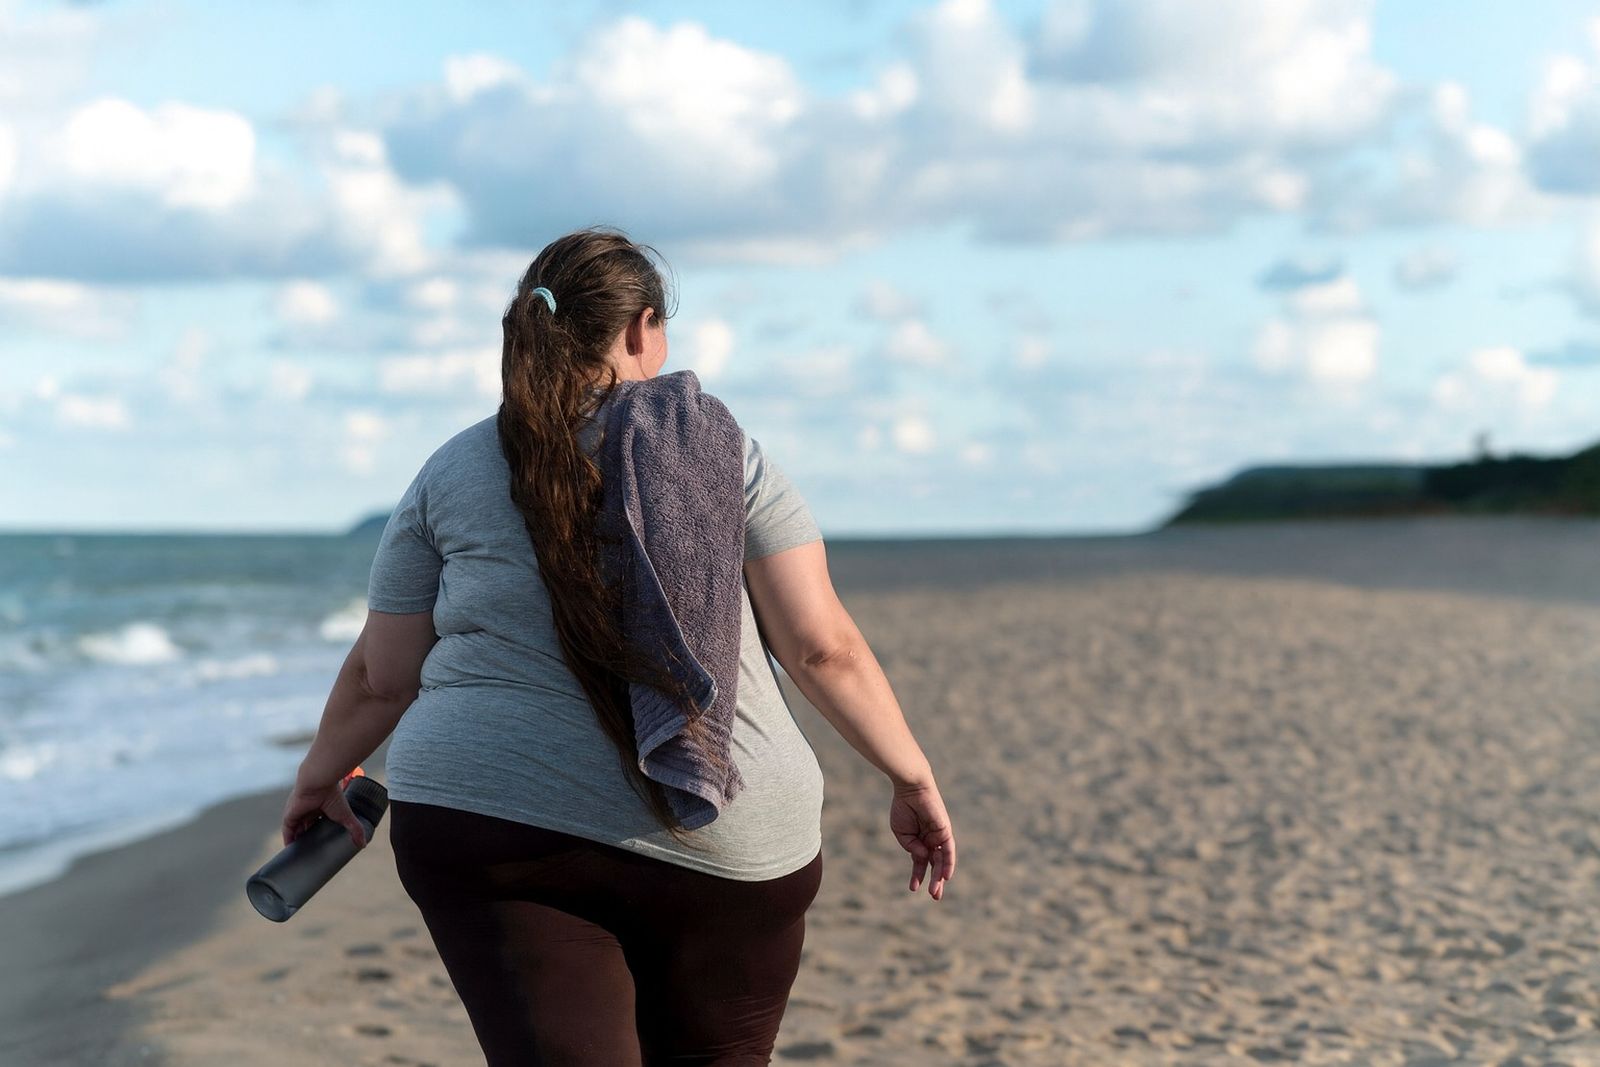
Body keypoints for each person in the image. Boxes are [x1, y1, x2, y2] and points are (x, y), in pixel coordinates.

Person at [279, 226, 957, 1066]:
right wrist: (911, 774)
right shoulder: (723, 452)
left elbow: (383, 677)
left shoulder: (452, 469)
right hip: (724, 844)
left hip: (489, 825)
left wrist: (319, 775)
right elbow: (822, 648)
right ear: (641, 330)